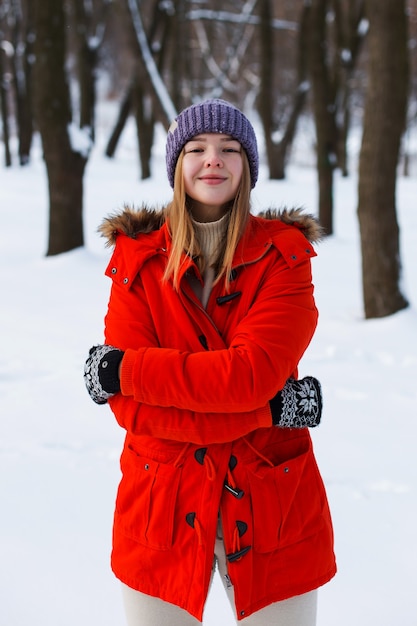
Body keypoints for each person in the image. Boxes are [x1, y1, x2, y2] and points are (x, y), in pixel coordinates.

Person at [84, 99, 336, 625]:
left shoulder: (284, 259)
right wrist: (272, 410)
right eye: (196, 148)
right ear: (177, 165)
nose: (212, 160)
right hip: (161, 508)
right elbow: (134, 413)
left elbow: (248, 378)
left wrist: (124, 372)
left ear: (247, 167)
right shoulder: (136, 261)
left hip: (273, 510)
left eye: (229, 148)